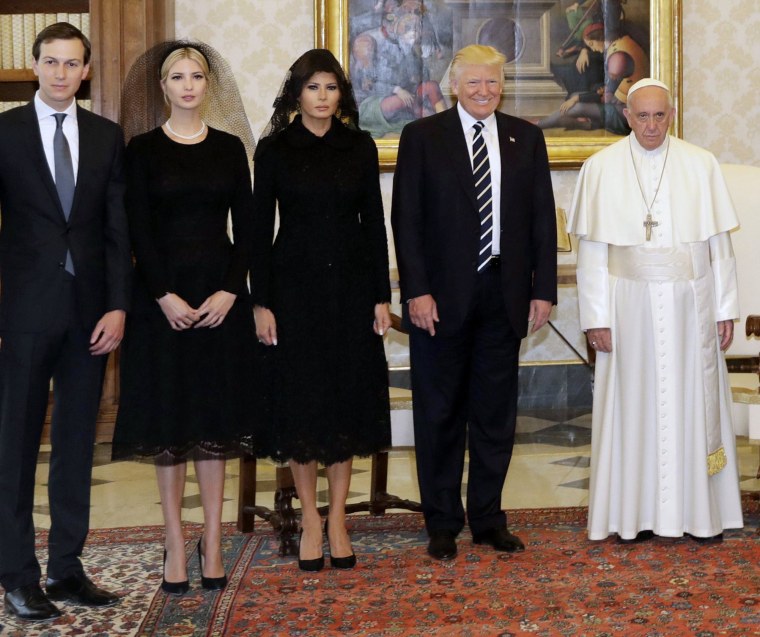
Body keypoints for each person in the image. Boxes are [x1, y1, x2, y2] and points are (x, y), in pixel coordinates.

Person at [391, 44, 557, 560]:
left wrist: (543, 290)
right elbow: (406, 221)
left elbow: (542, 221)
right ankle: (442, 522)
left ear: (502, 86)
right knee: (439, 414)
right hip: (438, 299)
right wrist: (416, 290)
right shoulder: (423, 137)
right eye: (473, 84)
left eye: (492, 83)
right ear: (453, 86)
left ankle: (487, 518)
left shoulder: (526, 138)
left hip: (503, 295)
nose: (483, 92)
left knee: (494, 415)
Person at [567, 78, 744, 542]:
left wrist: (725, 308)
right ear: (627, 115)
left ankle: (699, 515)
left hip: (692, 304)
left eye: (659, 115)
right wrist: (596, 319)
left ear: (672, 113)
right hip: (628, 307)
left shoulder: (700, 164)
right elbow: (593, 254)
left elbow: (719, 246)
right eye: (642, 116)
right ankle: (634, 516)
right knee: (632, 403)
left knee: (691, 398)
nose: (651, 125)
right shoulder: (601, 168)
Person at [111, 41, 257, 594]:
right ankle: (175, 538)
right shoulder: (141, 150)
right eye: (178, 76)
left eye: (197, 75)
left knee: (214, 425)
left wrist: (229, 292)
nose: (189, 84)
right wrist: (162, 294)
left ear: (209, 85)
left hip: (220, 301)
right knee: (171, 424)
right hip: (161, 305)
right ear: (163, 86)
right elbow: (138, 233)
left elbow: (247, 230)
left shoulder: (228, 148)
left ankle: (213, 539)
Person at [0, 23, 131, 621]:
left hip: (91, 317)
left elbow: (116, 230)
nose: (59, 73)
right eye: (49, 62)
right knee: (17, 446)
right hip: (23, 316)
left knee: (77, 446)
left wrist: (119, 305)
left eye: (71, 63)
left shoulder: (106, 136)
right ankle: (17, 574)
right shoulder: (4, 132)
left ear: (86, 71)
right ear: (34, 66)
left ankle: (67, 569)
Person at [252, 49, 391, 572]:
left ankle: (337, 519)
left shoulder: (359, 146)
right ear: (297, 93)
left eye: (331, 88)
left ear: (342, 95)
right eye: (313, 88)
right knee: (302, 405)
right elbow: (258, 233)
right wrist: (260, 302)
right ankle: (310, 517)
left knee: (345, 403)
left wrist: (382, 295)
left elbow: (374, 225)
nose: (323, 97)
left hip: (352, 291)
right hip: (293, 292)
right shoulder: (274, 150)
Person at [538, 23, 648, 134]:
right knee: (574, 96)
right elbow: (609, 91)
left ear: (598, 39)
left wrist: (578, 98)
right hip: (620, 101)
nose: (592, 49)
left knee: (576, 107)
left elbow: (605, 95)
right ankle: (589, 123)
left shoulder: (617, 58)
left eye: (591, 45)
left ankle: (537, 125)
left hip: (626, 113)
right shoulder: (621, 43)